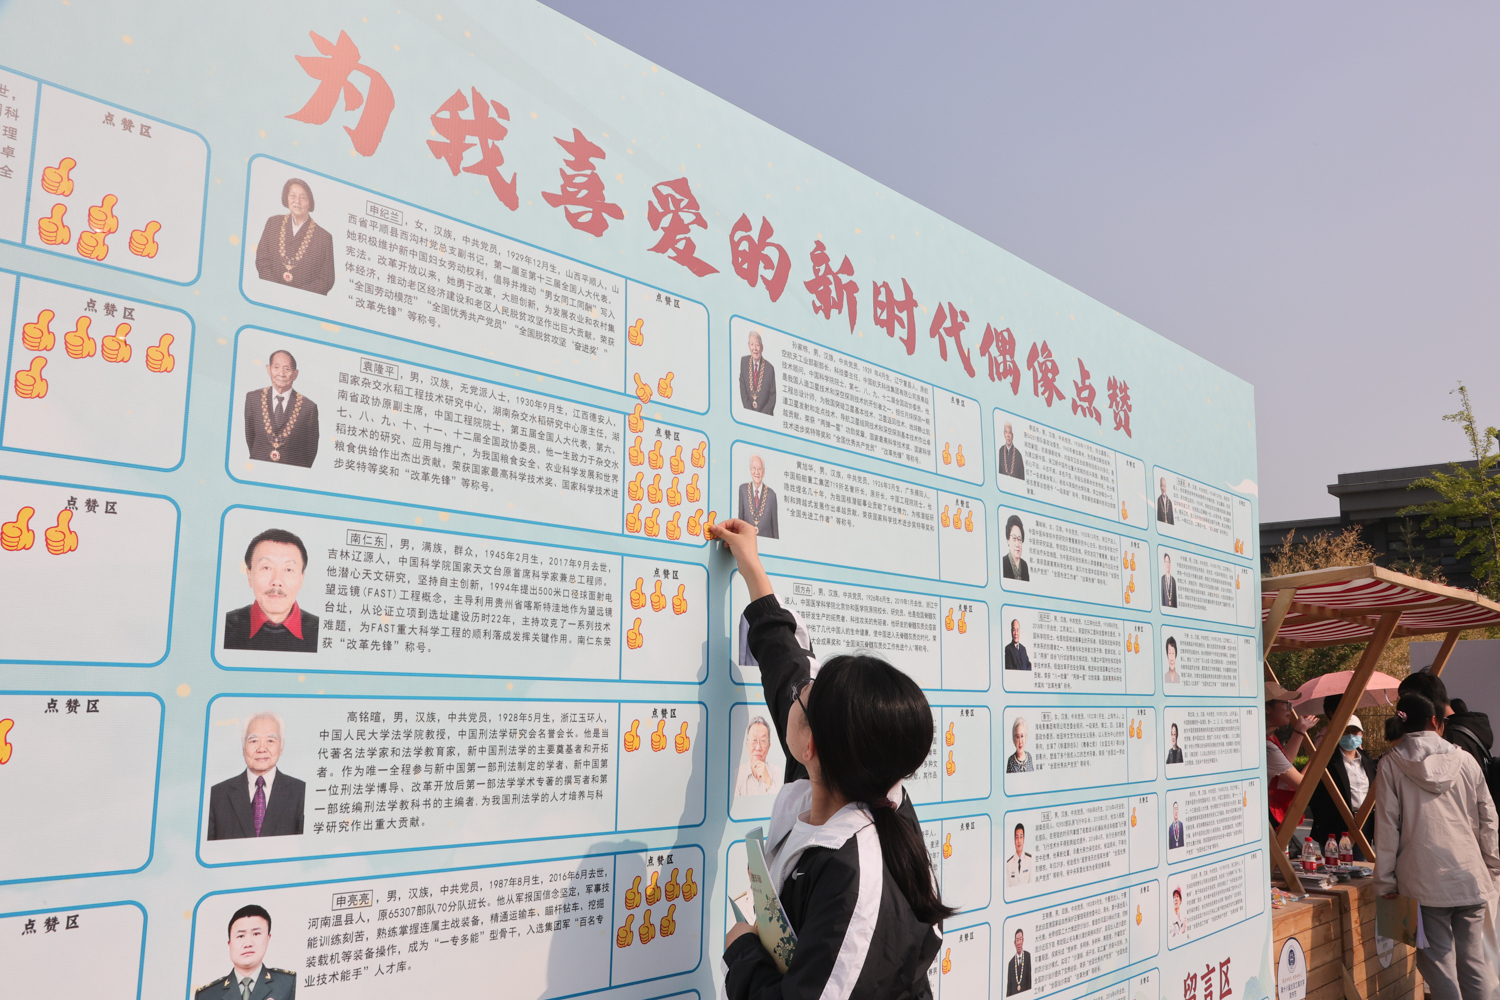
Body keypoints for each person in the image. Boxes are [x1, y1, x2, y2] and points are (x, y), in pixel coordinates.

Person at [712, 516, 953, 1000]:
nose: (798, 691)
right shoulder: (857, 777)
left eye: (806, 697)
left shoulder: (855, 880)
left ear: (812, 746)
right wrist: (752, 566)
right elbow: (786, 667)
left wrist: (742, 952)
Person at [1375, 692, 1500, 1000]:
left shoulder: (1390, 763)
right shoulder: (1466, 760)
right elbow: (1489, 818)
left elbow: (1387, 827)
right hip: (1469, 874)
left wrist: (1385, 881)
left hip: (1422, 879)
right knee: (1474, 961)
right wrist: (1493, 866)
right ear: (1435, 721)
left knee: (1437, 963)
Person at [206, 712, 306, 840]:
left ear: (281, 746)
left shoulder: (301, 792)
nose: (261, 749)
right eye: (254, 741)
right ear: (243, 746)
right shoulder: (216, 795)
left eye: (270, 741)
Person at [224, 529, 320, 653]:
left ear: (301, 579)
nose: (277, 581)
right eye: (266, 567)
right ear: (249, 576)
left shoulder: (321, 631)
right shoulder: (224, 627)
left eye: (288, 569)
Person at [1308, 696, 1377, 857]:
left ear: (1362, 734)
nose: (1350, 736)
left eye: (1354, 732)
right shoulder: (1328, 761)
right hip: (1334, 828)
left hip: (1364, 826)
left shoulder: (1367, 761)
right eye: (1345, 732)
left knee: (1361, 866)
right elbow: (1315, 794)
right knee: (1336, 868)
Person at [195, 904, 297, 998]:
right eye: (240, 936)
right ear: (230, 944)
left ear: (268, 938)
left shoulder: (289, 983)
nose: (248, 944)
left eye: (256, 934)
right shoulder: (207, 995)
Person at [255, 177, 335, 295]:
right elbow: (262, 261)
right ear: (286, 198)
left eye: (303, 198)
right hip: (271, 294)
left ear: (310, 202)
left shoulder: (323, 238)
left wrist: (296, 296)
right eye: (292, 196)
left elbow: (326, 280)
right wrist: (275, 290)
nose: (297, 201)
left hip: (304, 300)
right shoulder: (273, 223)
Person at [244, 350, 320, 467]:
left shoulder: (308, 408)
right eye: (276, 367)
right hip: (258, 468)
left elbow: (310, 450)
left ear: (295, 374)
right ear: (268, 369)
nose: (281, 373)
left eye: (287, 369)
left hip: (292, 472)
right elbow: (250, 437)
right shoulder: (253, 399)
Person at [1265, 681, 1320, 829]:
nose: (1290, 708)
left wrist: (1300, 730)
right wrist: (1316, 758)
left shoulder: (1267, 738)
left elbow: (1284, 763)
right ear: (1267, 708)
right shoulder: (1267, 746)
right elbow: (1302, 784)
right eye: (1285, 703)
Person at [735, 716, 782, 798]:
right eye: (754, 740)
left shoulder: (777, 773)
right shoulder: (738, 774)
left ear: (768, 746)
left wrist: (768, 780)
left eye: (763, 741)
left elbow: (781, 802)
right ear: (747, 744)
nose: (758, 747)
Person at [736, 455, 779, 539]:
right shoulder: (743, 490)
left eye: (759, 469)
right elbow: (740, 520)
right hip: (747, 541)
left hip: (766, 542)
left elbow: (775, 528)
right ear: (750, 470)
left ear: (763, 472)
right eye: (754, 468)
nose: (756, 472)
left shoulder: (771, 495)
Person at [738, 330, 776, 415]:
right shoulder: (744, 362)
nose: (754, 348)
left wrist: (761, 416)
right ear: (749, 345)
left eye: (757, 345)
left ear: (762, 347)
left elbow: (772, 396)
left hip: (765, 416)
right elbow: (743, 390)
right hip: (748, 414)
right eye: (752, 344)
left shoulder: (769, 369)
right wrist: (750, 413)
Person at [1002, 515, 1029, 581]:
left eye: (1019, 539)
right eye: (1014, 538)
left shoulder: (1024, 565)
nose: (1017, 544)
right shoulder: (1003, 563)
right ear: (1008, 540)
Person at [1005, 928, 1032, 995]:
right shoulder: (1011, 963)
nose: (1019, 942)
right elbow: (1009, 987)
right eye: (1017, 940)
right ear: (1015, 943)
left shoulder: (1027, 956)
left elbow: (1029, 981)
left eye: (1020, 939)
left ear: (1023, 940)